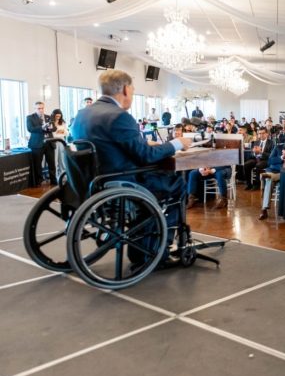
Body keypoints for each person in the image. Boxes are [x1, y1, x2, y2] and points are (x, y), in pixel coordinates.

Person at [70, 70, 191, 261]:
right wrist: (176, 144)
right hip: (122, 180)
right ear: (125, 89)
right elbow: (146, 156)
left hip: (91, 181)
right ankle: (158, 250)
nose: (132, 97)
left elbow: (107, 146)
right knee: (177, 184)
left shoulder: (83, 114)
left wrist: (144, 143)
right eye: (133, 92)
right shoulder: (119, 116)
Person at [258, 130, 285, 220]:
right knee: (269, 180)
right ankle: (264, 209)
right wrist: (281, 157)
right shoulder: (278, 147)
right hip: (276, 171)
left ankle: (265, 208)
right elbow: (270, 161)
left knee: (268, 178)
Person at [26, 101, 56, 186]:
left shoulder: (48, 117)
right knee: (37, 164)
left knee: (52, 163)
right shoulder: (30, 117)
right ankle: (38, 181)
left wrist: (51, 128)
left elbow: (54, 128)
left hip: (49, 143)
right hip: (37, 144)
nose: (41, 110)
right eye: (39, 108)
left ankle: (54, 180)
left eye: (42, 108)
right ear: (35, 109)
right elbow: (30, 129)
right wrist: (42, 127)